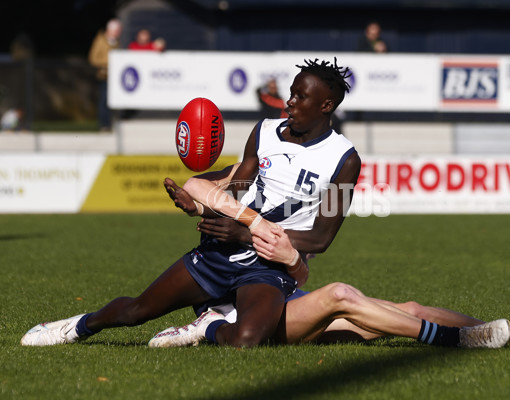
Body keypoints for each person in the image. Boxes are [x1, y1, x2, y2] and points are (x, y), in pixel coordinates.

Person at [20, 58, 362, 348]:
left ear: (325, 106)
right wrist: (199, 207)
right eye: (291, 94)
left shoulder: (343, 160)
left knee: (247, 340)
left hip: (268, 267)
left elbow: (320, 239)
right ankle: (77, 326)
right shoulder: (265, 131)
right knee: (136, 311)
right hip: (221, 251)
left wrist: (246, 235)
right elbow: (238, 189)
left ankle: (206, 325)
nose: (289, 102)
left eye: (300, 97)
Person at [146, 210, 510, 348]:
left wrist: (291, 257)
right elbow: (216, 190)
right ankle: (208, 327)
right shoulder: (235, 206)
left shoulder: (332, 162)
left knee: (408, 309)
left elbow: (308, 256)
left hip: (289, 300)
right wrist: (201, 196)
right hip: (248, 316)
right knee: (343, 298)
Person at [88, 18, 122, 131]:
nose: (119, 33)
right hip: (104, 76)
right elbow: (93, 58)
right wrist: (109, 63)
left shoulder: (116, 42)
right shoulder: (100, 41)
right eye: (117, 30)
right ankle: (104, 124)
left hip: (115, 77)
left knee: (113, 101)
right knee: (104, 100)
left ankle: (111, 123)